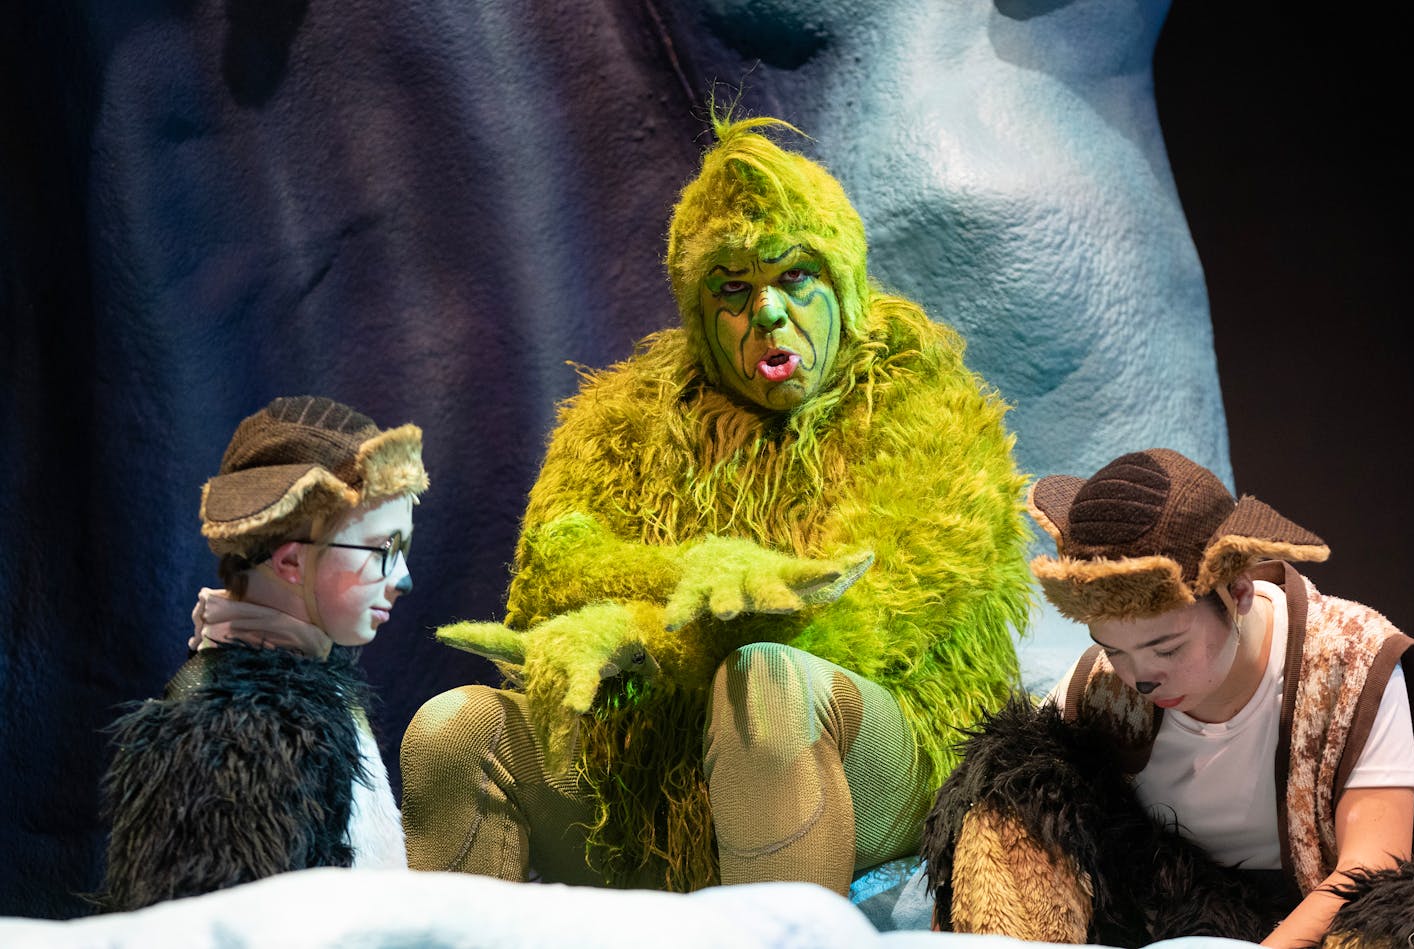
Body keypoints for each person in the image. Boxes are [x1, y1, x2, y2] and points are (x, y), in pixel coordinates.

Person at [399, 114, 1033, 894]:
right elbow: (552, 567)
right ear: (702, 313)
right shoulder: (624, 418)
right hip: (650, 774)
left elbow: (863, 616)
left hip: (862, 751)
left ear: (843, 283)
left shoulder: (922, 401)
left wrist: (660, 640)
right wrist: (669, 589)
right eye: (734, 288)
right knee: (454, 729)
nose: (768, 311)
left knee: (765, 682)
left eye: (794, 276)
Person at [922, 448, 1414, 947]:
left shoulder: (1352, 659)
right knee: (1005, 799)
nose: (1139, 677)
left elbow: (1372, 863)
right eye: (1113, 647)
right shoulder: (1102, 686)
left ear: (1239, 593)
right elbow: (995, 808)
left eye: (1167, 647)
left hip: (1319, 907)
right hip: (1167, 903)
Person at [98, 395, 429, 911]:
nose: (403, 578)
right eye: (385, 549)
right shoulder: (233, 733)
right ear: (292, 562)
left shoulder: (313, 697)